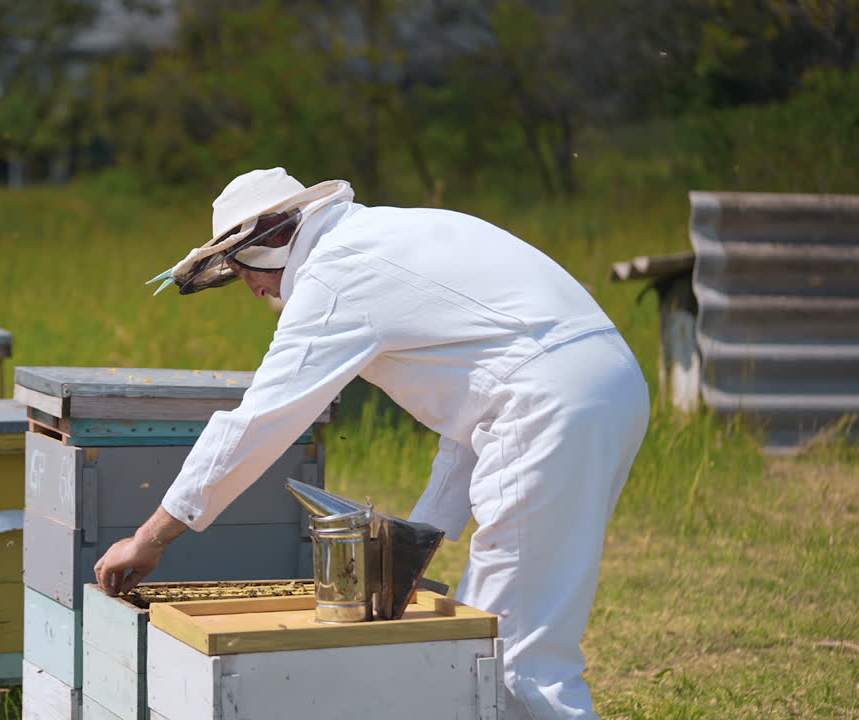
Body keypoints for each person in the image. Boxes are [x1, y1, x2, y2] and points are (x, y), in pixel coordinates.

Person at [93, 168, 649, 720]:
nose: (254, 287)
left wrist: (151, 537)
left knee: (512, 659)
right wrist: (423, 534)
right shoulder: (391, 232)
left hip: (552, 406)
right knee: (496, 631)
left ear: (268, 242)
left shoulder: (335, 276)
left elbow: (259, 422)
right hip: (604, 387)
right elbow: (482, 402)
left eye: (244, 271)